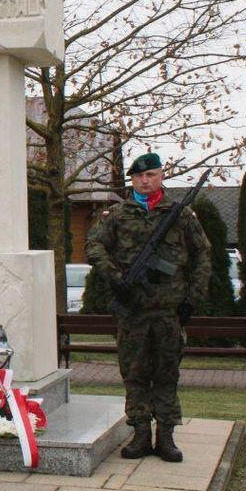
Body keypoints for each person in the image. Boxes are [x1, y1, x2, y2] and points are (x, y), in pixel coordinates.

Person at [85, 152, 211, 463]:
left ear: (161, 176)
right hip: (133, 311)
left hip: (169, 311)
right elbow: (93, 245)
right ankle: (140, 433)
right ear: (132, 179)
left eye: (151, 175)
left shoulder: (180, 215)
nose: (145, 180)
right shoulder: (117, 214)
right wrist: (116, 277)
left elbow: (203, 256)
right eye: (139, 176)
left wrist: (192, 298)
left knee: (167, 373)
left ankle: (165, 436)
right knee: (135, 373)